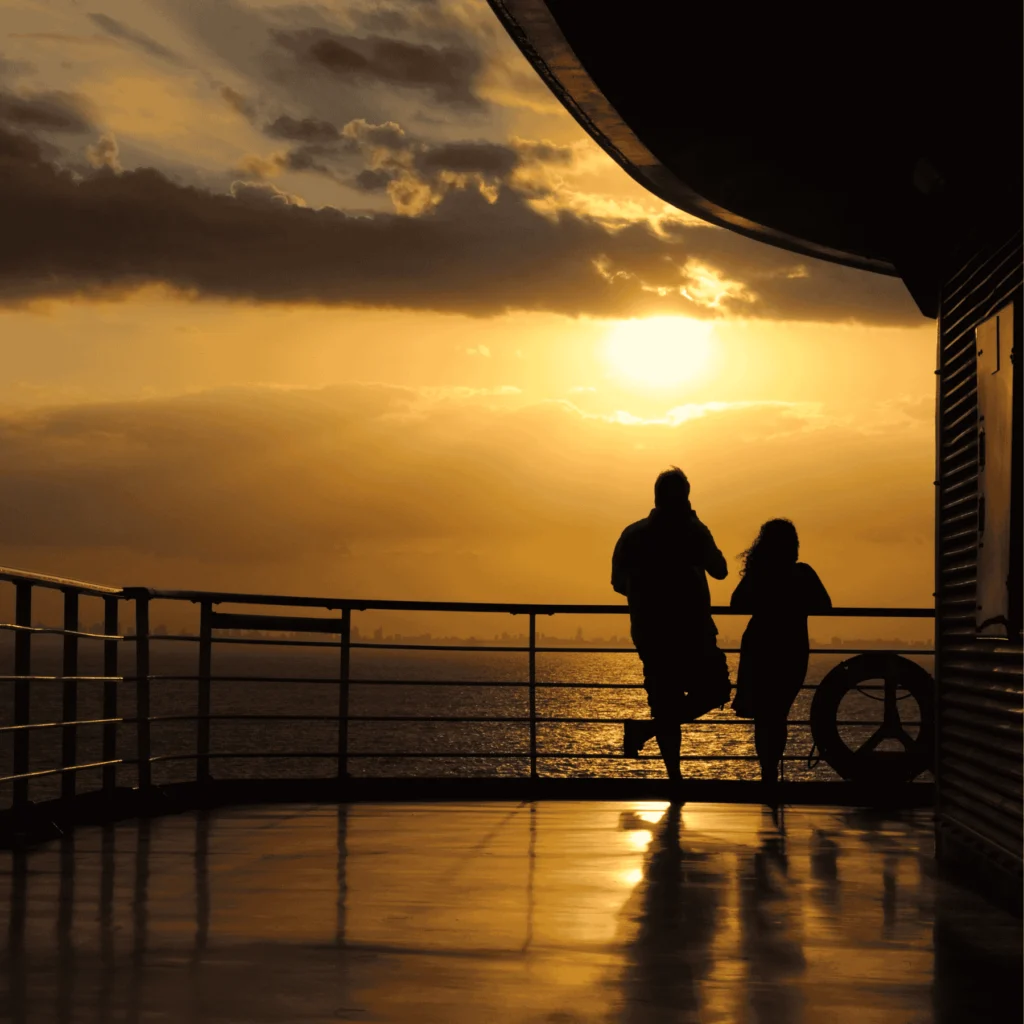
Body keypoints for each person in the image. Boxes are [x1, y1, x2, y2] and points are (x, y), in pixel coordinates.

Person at [612, 467, 730, 783]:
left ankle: (674, 778)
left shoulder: (633, 534)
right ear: (685, 498)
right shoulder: (693, 531)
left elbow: (618, 583)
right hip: (693, 632)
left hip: (650, 634)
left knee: (665, 702)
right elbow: (720, 570)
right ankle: (647, 732)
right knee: (716, 690)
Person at [729, 519, 831, 799]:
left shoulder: (759, 574)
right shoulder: (803, 574)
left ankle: (768, 775)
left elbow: (735, 603)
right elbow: (825, 605)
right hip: (791, 647)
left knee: (764, 716)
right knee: (778, 713)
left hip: (760, 645)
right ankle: (771, 777)